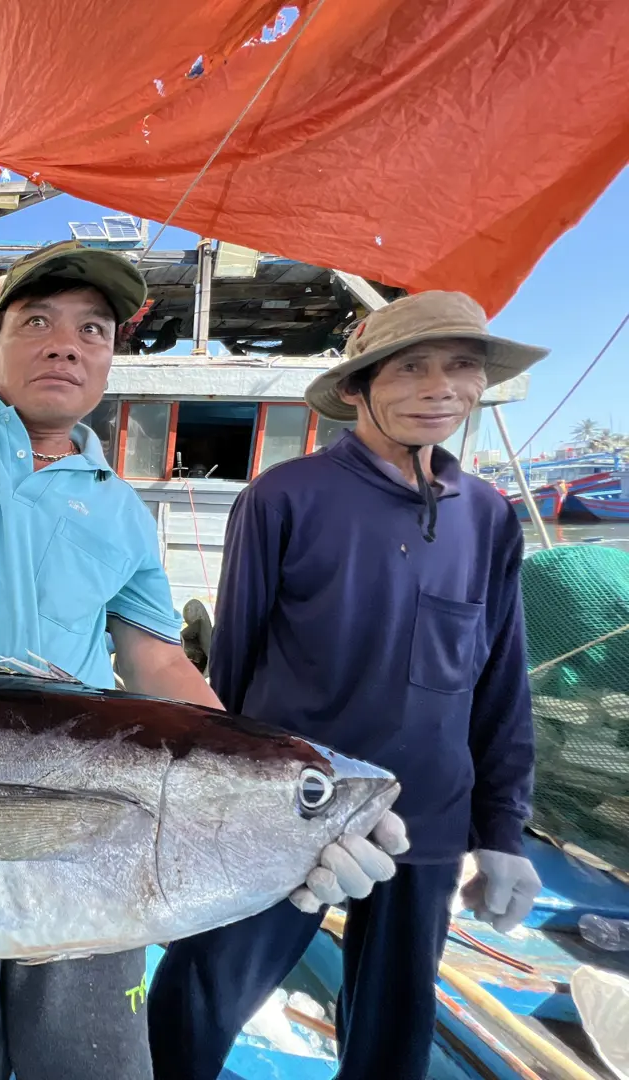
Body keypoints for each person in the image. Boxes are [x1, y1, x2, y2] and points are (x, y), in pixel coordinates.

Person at [0, 239, 406, 1080]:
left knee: (90, 1060)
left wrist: (282, 796)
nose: (66, 343)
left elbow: (158, 667)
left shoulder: (124, 512)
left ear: (108, 358)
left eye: (93, 330)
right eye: (38, 321)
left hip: (82, 823)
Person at [144, 290, 546, 1080]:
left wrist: (502, 832)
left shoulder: (490, 516)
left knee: (395, 1030)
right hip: (290, 808)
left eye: (462, 366)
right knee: (198, 998)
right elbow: (234, 674)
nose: (441, 387)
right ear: (360, 386)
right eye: (411, 368)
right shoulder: (283, 497)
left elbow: (499, 680)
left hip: (428, 816)